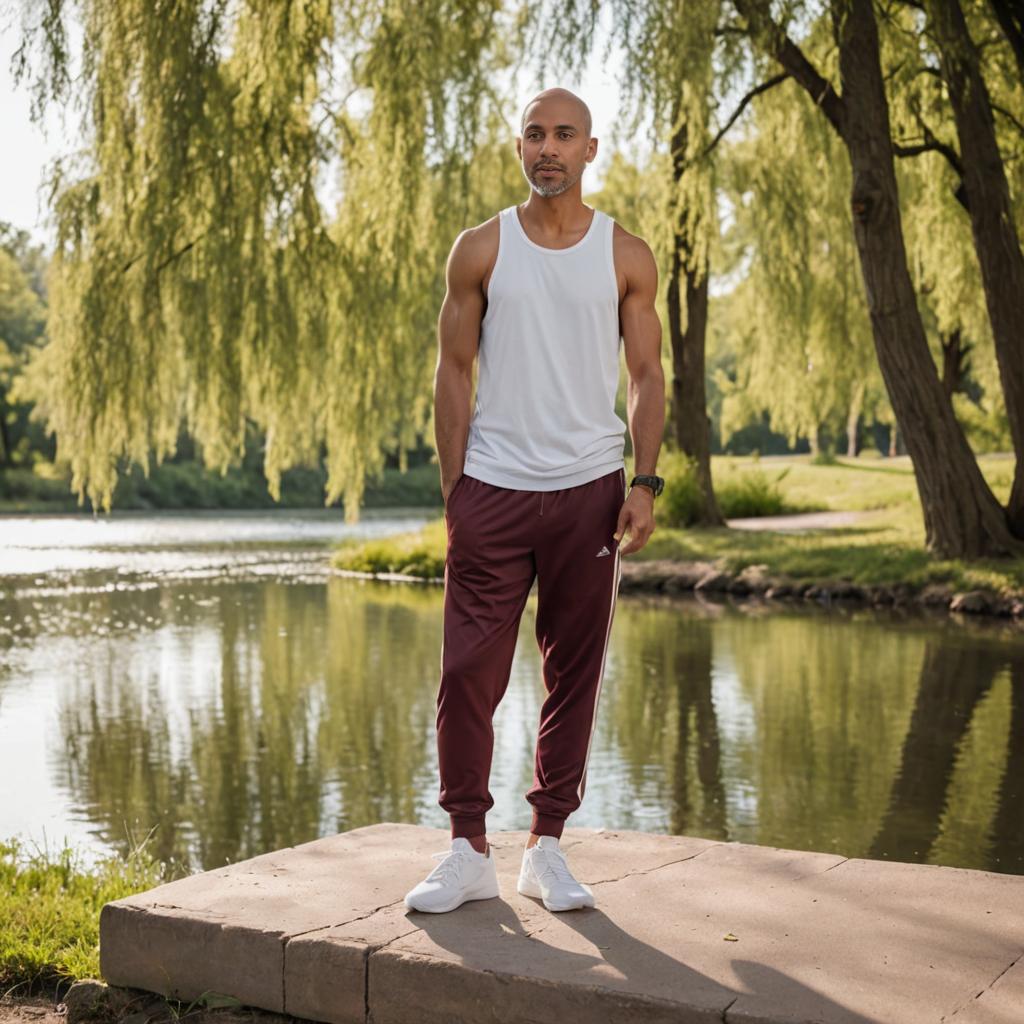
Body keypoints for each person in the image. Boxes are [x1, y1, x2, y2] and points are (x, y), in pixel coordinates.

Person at [404, 87, 665, 915]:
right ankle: (466, 849)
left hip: (590, 490)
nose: (547, 147)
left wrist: (644, 481)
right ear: (520, 148)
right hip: (493, 488)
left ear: (591, 149)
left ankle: (546, 848)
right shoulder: (481, 248)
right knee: (466, 674)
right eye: (533, 134)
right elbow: (452, 370)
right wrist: (456, 488)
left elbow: (647, 375)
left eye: (564, 135)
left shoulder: (627, 254)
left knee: (574, 674)